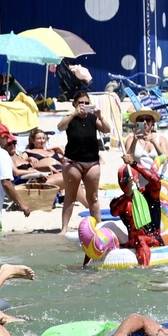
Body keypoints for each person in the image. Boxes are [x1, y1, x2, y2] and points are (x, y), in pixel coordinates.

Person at [57, 91, 107, 234]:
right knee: (70, 196)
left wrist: (100, 116)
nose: (83, 106)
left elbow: (107, 129)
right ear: (74, 104)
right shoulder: (70, 119)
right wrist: (74, 114)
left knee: (93, 197)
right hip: (73, 162)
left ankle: (98, 228)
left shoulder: (93, 118)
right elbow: (60, 127)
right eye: (80, 103)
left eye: (86, 103)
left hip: (92, 162)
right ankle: (64, 228)